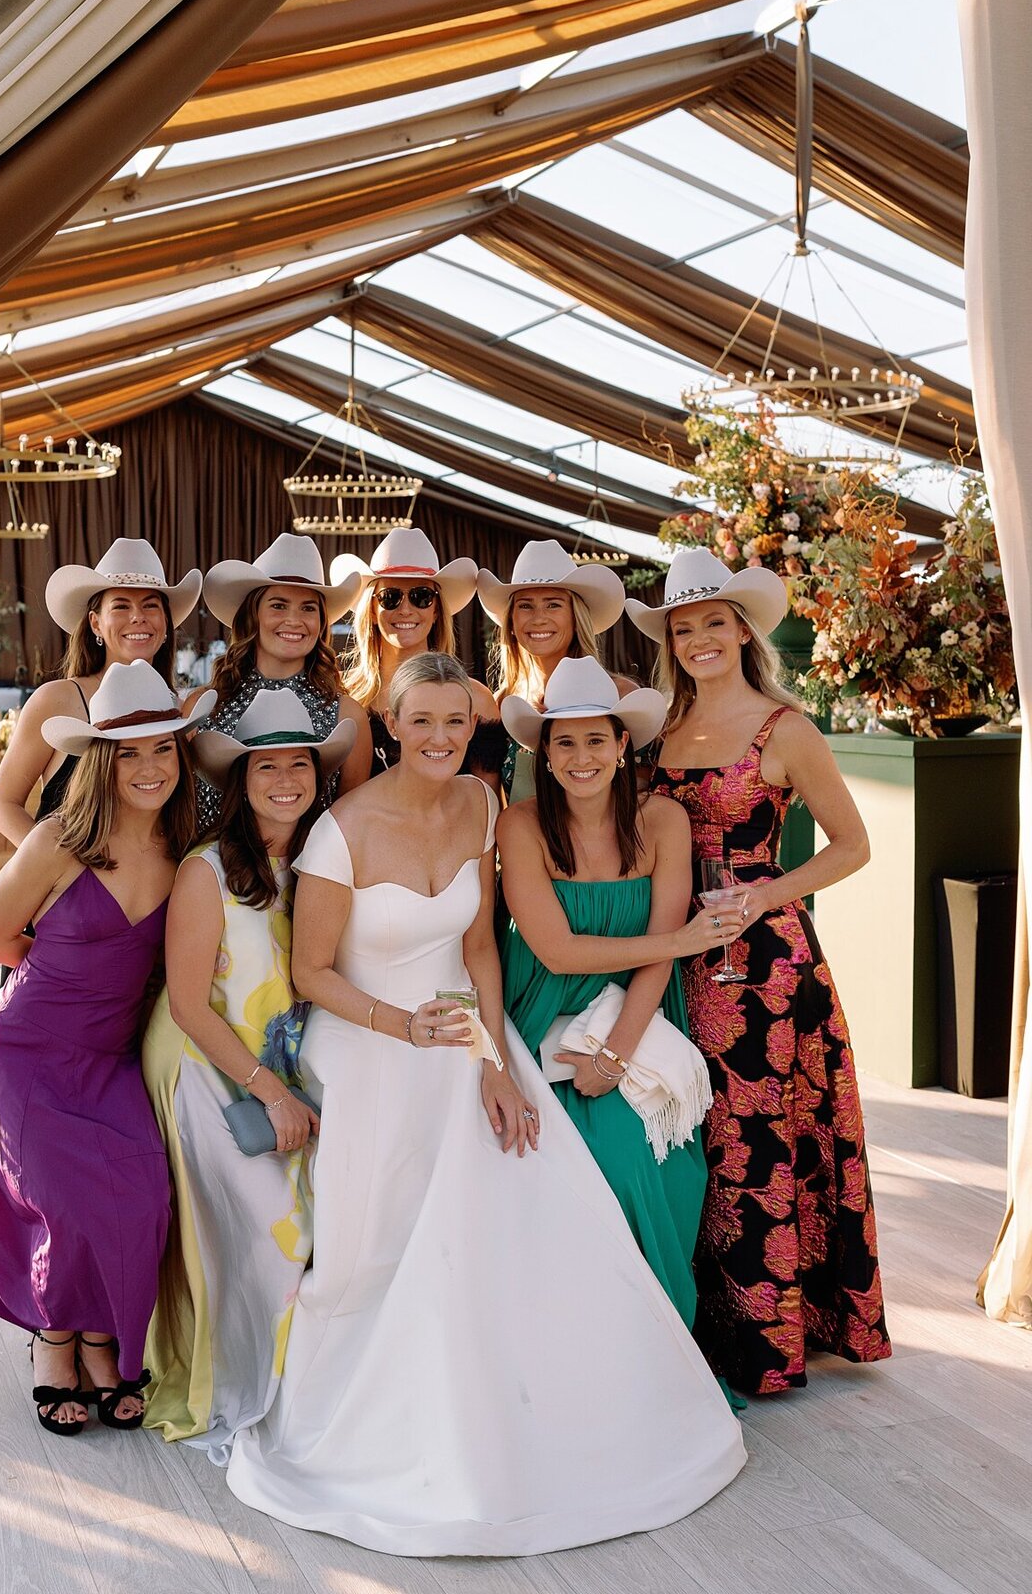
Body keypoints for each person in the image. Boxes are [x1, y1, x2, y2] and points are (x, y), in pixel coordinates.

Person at [225, 651, 745, 1557]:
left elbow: (478, 949)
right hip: (366, 1030)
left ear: (476, 730)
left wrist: (497, 1058)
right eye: (420, 720)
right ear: (389, 726)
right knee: (406, 1190)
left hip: (462, 1026)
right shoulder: (339, 832)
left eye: (456, 722)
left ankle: (552, 1396)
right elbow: (312, 972)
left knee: (526, 1164)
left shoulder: (480, 805)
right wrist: (401, 1025)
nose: (439, 737)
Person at [630, 546, 890, 1395]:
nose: (701, 638)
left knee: (759, 1143)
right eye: (684, 628)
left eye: (714, 622)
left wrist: (765, 893)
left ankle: (768, 1344)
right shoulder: (656, 732)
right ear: (669, 642)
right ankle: (692, 1324)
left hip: (766, 970)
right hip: (673, 958)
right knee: (690, 1137)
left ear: (742, 630)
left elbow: (854, 846)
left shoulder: (787, 729)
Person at [0, 660, 213, 1435]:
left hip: (110, 1059)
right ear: (101, 760)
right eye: (129, 753)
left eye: (163, 750)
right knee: (65, 1201)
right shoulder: (62, 838)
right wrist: (68, 976)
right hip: (24, 1052)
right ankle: (56, 1340)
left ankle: (103, 1336)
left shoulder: (185, 847)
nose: (150, 766)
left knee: (142, 1197)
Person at [140, 691, 356, 1458]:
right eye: (268, 765)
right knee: (265, 1227)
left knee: (322, 1213)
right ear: (241, 779)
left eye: (300, 762)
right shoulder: (207, 870)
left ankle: (302, 1382)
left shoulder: (314, 864)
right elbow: (192, 1005)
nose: (287, 778)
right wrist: (271, 1092)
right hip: (204, 1064)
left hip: (273, 1065)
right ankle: (233, 1382)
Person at [497, 656, 740, 1328]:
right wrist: (682, 941)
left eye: (596, 739)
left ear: (623, 743)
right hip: (540, 1014)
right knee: (583, 1166)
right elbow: (556, 949)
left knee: (654, 1169)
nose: (582, 756)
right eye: (565, 741)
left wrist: (614, 1056)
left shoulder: (663, 820)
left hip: (637, 1011)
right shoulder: (519, 825)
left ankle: (654, 1345)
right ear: (544, 753)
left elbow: (657, 959)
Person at [0, 537, 201, 841]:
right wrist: (52, 873)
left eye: (150, 605)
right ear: (95, 623)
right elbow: (3, 804)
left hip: (158, 884)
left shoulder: (182, 710)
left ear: (166, 623)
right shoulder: (57, 699)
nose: (137, 616)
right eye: (121, 606)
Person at [194, 535, 371, 827]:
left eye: (308, 608)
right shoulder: (203, 707)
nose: (294, 619)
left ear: (321, 622)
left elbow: (350, 830)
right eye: (279, 605)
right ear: (253, 616)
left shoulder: (348, 715)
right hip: (211, 869)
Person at [335, 526, 503, 785]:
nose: (405, 610)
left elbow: (490, 804)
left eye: (421, 597)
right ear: (371, 610)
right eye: (390, 597)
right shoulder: (345, 698)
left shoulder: (477, 700)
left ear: (436, 610)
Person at [477, 539, 635, 803]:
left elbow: (639, 792)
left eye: (553, 604)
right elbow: (499, 807)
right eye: (525, 605)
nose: (538, 617)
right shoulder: (501, 705)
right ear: (511, 623)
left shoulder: (621, 696)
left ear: (576, 617)